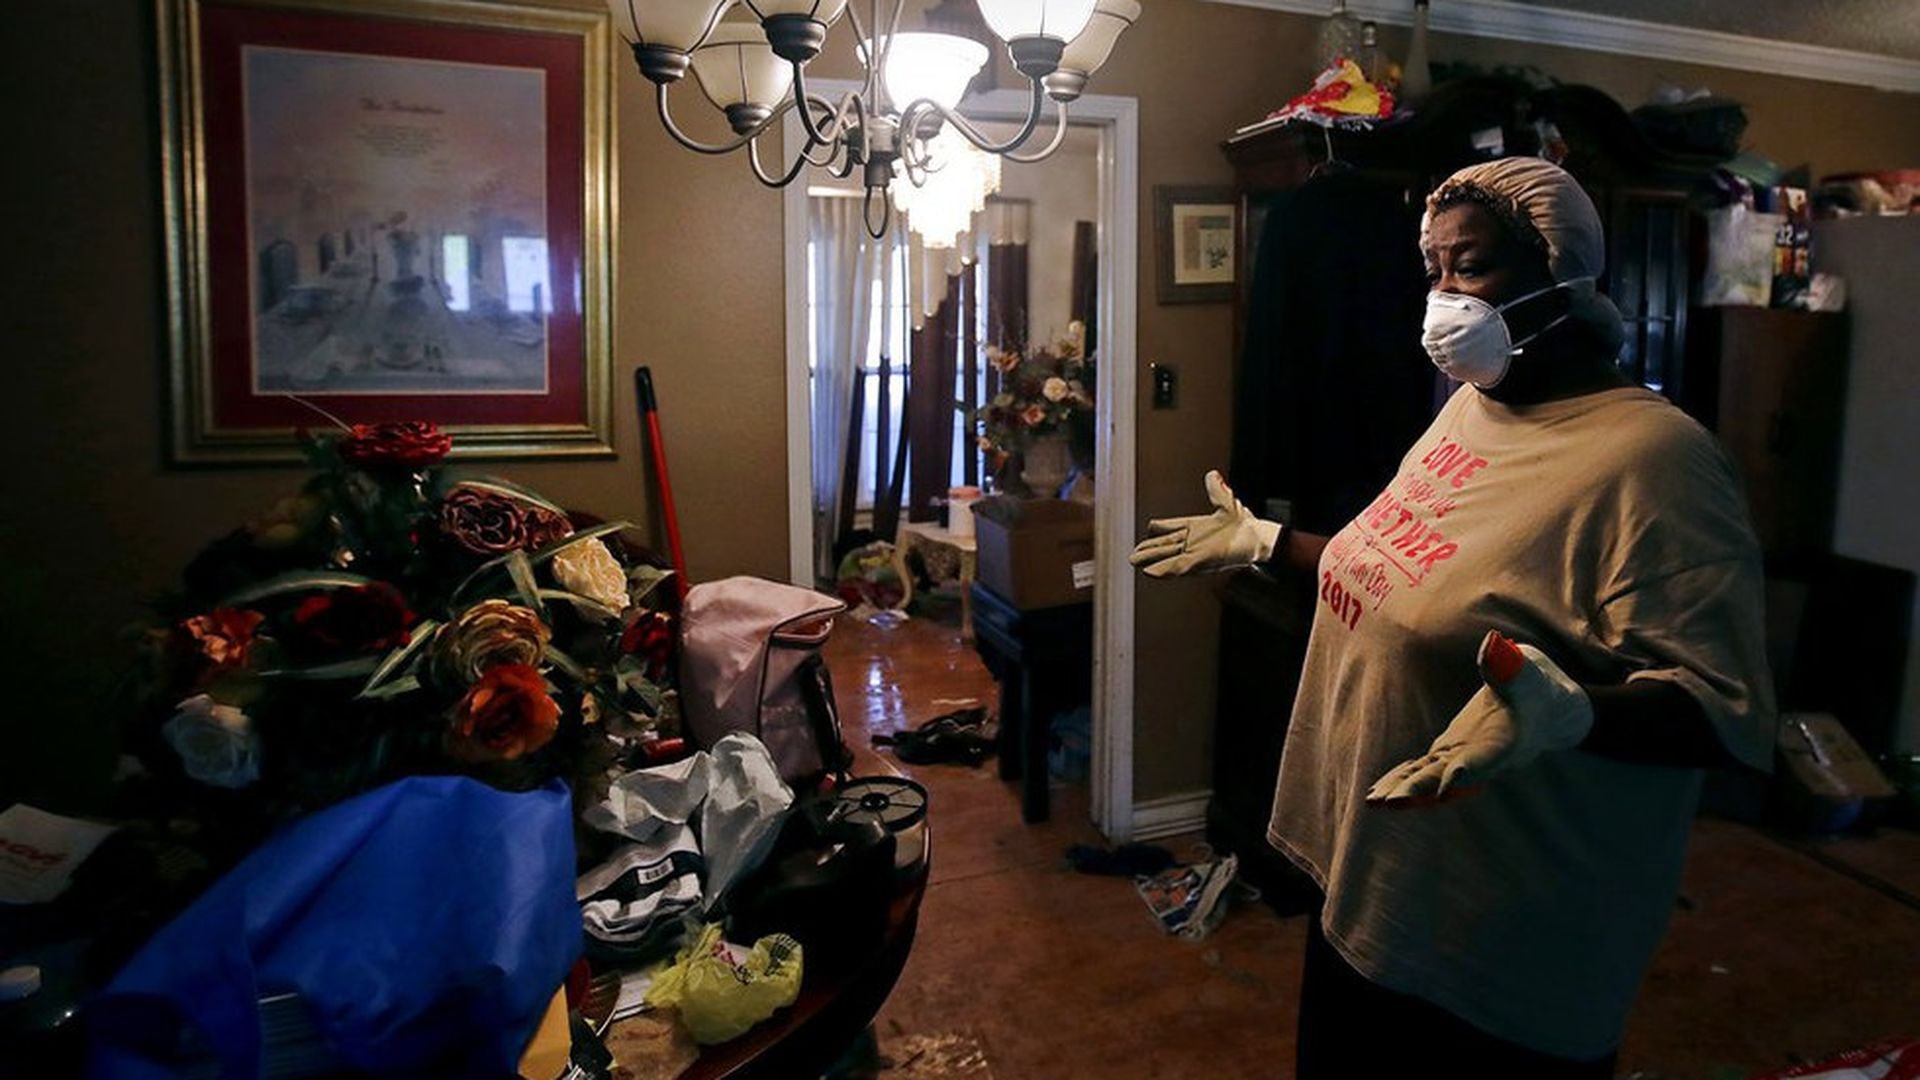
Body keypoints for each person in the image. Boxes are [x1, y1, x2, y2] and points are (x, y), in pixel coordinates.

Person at [1130, 157, 1773, 1077]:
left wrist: (1577, 715)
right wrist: (1271, 543)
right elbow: (1412, 574)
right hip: (1376, 878)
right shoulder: (1472, 409)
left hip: (1493, 930)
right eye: (1432, 269)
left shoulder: (1656, 461)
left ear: (1560, 270)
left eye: (1469, 267)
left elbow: (1724, 709)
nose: (1442, 297)